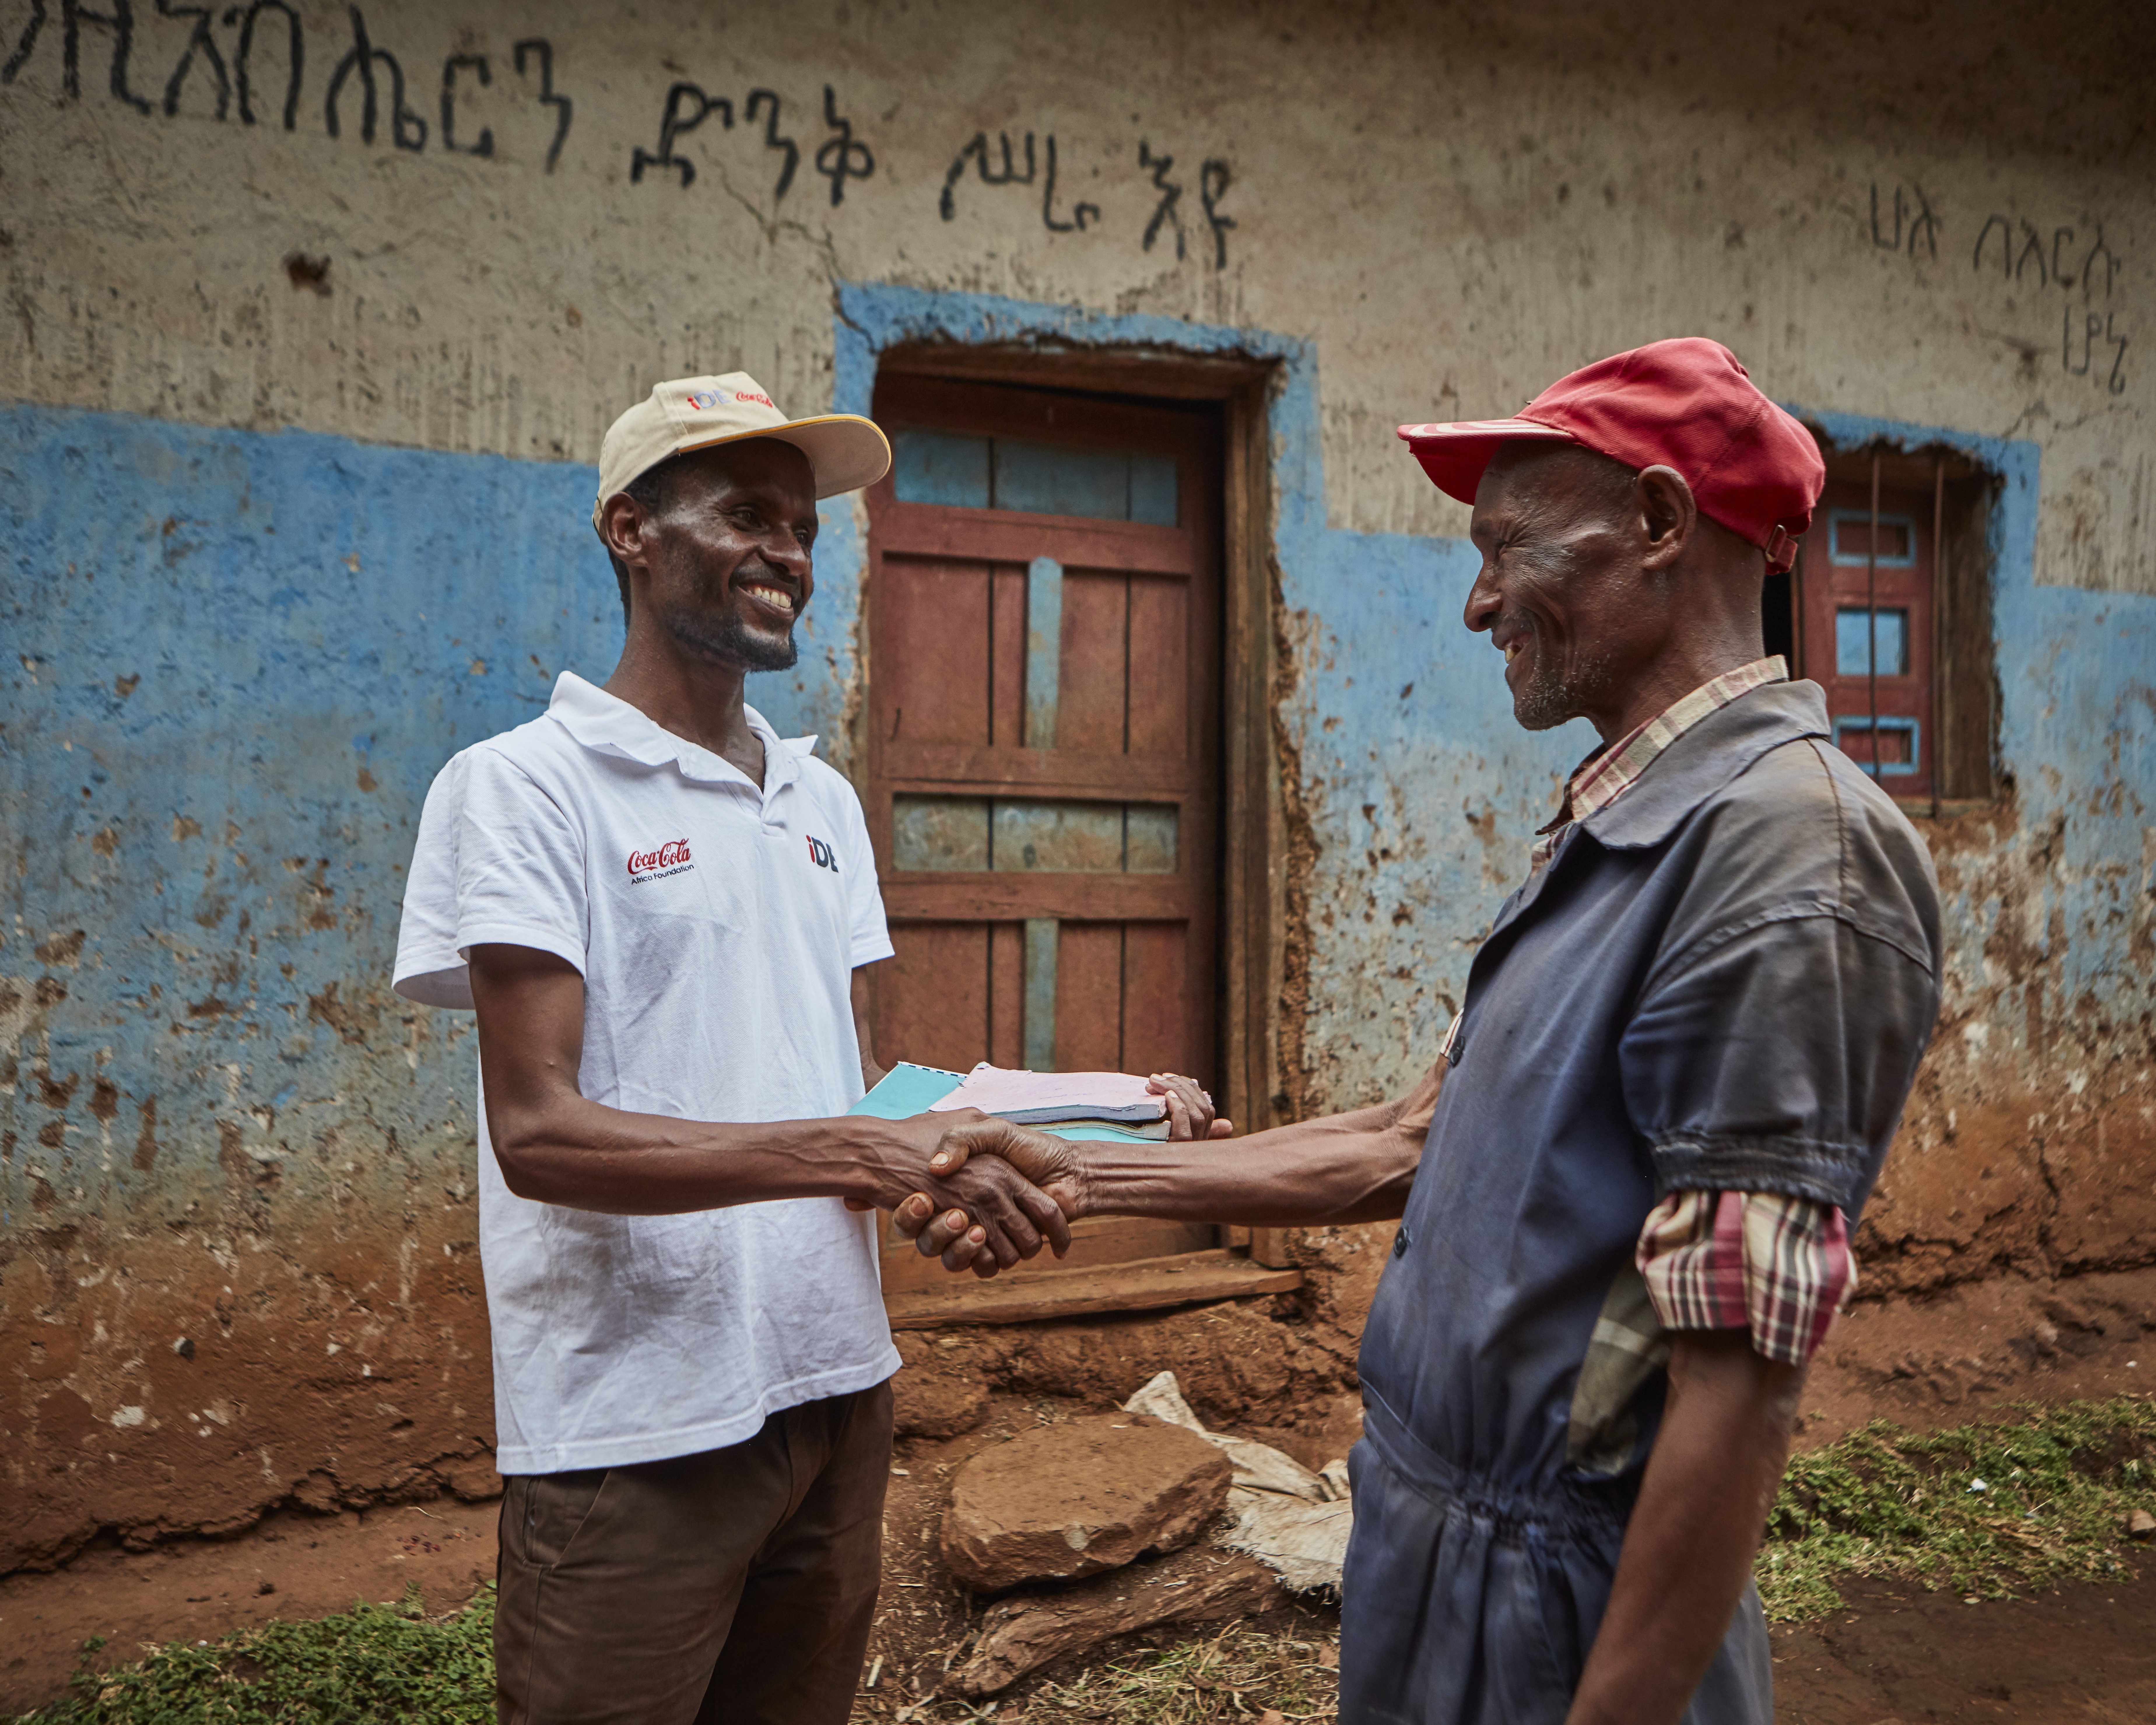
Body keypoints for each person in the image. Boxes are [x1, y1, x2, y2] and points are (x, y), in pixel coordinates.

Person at [892, 340, 1944, 1725]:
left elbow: (1736, 1383)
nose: (1477, 601)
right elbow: (1411, 1140)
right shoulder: (1623, 824)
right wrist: (1077, 1171)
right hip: (1432, 1546)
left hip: (1559, 1596)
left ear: (1657, 521)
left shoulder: (1788, 851)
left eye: (1507, 548)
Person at [391, 373, 1208, 1725]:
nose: (788, 553)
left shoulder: (816, 798)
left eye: (805, 528)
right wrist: (864, 1152)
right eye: (748, 516)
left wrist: (1080, 1111)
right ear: (630, 531)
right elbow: (538, 1135)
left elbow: (846, 1094)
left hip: (836, 1389)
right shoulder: (522, 789)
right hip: (639, 1422)